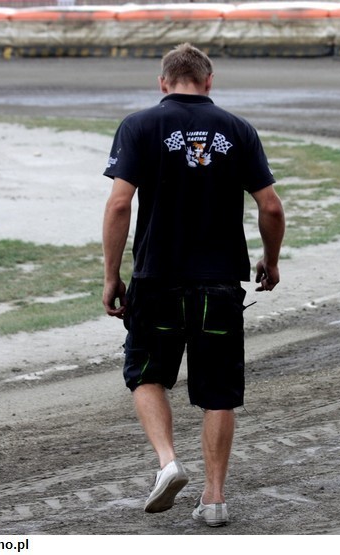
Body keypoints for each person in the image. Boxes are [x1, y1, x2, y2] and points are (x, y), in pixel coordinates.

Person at [101, 43, 285, 527]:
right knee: (218, 392)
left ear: (163, 82)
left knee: (145, 374)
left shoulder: (138, 126)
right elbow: (271, 207)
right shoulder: (239, 130)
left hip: (157, 278)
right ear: (208, 81)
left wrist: (110, 275)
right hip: (220, 283)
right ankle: (215, 498)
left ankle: (168, 462)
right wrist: (270, 258)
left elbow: (120, 205)